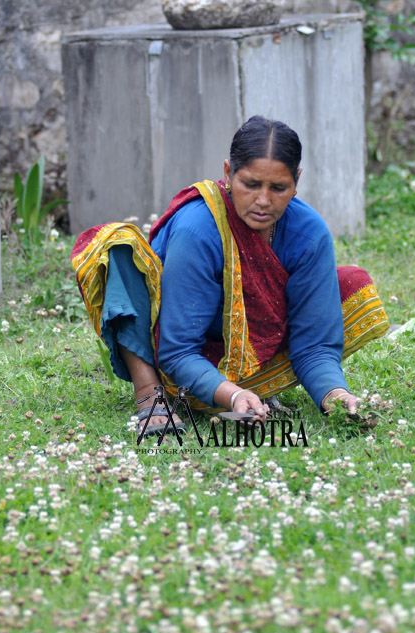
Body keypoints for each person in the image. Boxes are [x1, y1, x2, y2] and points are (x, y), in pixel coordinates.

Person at [72, 116, 389, 433]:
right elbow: (177, 350)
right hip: (174, 355)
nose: (263, 201)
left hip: (253, 354)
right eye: (250, 184)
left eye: (279, 188)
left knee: (350, 284)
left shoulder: (309, 233)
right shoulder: (198, 228)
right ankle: (149, 393)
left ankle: (257, 389)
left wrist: (335, 395)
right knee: (117, 248)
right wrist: (232, 395)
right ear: (228, 173)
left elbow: (315, 344)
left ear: (297, 181)